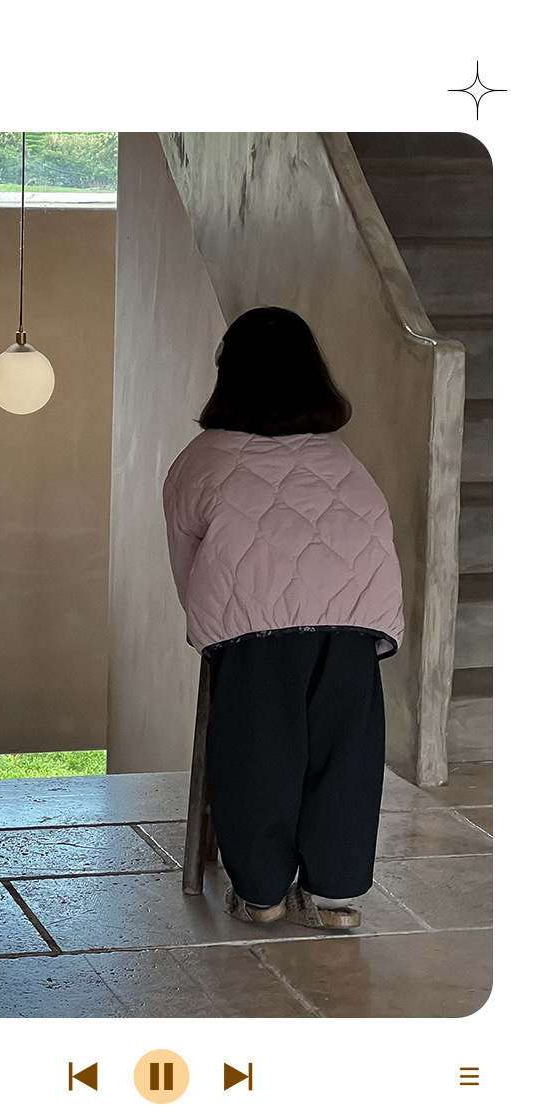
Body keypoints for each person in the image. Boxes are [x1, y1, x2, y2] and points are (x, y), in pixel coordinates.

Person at [162, 306, 404, 929]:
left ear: (228, 372)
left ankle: (262, 895)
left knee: (258, 755)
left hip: (256, 628)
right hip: (355, 622)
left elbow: (189, 565)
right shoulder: (342, 458)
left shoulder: (200, 460)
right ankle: (335, 897)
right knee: (344, 756)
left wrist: (215, 632)